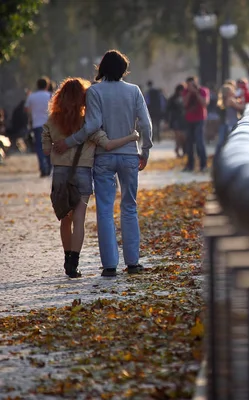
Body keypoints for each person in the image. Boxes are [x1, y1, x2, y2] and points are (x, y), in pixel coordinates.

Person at [53, 49, 153, 278]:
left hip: (104, 157)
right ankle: (133, 262)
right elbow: (146, 125)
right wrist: (145, 151)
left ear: (101, 69)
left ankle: (109, 266)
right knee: (129, 207)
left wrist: (69, 142)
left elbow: (92, 126)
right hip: (129, 155)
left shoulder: (95, 92)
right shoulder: (134, 91)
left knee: (105, 210)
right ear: (123, 70)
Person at [42, 77, 139, 278]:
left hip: (60, 174)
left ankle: (67, 259)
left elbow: (44, 149)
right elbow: (109, 145)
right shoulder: (88, 124)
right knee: (79, 220)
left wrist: (55, 146)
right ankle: (74, 265)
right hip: (83, 173)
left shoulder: (51, 122)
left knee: (64, 219)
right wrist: (132, 137)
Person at [25, 77, 52, 176]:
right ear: (47, 85)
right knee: (49, 146)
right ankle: (49, 167)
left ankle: (43, 168)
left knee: (39, 148)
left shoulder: (32, 96)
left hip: (37, 124)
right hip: (49, 125)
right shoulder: (50, 95)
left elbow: (27, 109)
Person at [182, 76, 209, 172]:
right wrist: (189, 93)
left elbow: (204, 104)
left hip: (200, 119)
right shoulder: (185, 92)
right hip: (189, 119)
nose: (191, 86)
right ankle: (190, 165)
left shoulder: (203, 91)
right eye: (189, 85)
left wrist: (196, 93)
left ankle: (203, 165)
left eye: (193, 84)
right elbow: (184, 104)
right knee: (189, 143)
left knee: (199, 142)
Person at [216, 83, 244, 152]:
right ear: (228, 92)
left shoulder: (226, 100)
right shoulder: (230, 100)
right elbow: (240, 107)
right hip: (233, 123)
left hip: (229, 123)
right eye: (232, 90)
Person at [166, 83, 187, 158]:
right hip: (176, 119)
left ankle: (182, 150)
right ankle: (178, 149)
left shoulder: (186, 97)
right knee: (178, 136)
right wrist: (168, 120)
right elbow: (168, 109)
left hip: (184, 119)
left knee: (183, 137)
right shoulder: (173, 99)